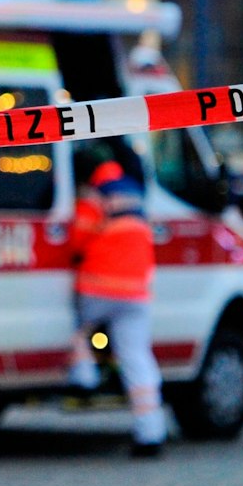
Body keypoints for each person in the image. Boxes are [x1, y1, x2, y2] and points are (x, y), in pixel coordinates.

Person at [65, 157, 164, 458]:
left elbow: (77, 241)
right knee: (137, 357)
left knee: (76, 327)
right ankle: (151, 432)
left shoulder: (95, 197)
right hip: (136, 292)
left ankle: (84, 378)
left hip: (98, 288)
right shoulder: (136, 196)